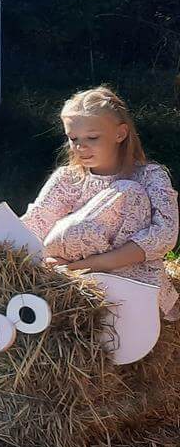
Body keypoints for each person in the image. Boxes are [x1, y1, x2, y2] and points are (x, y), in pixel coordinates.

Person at [21, 86, 178, 317]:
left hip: (131, 281)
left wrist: (90, 265)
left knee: (128, 193)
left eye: (92, 138)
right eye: (73, 138)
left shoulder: (149, 176)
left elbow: (165, 236)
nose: (80, 147)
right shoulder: (68, 178)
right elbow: (36, 222)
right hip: (73, 287)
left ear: (120, 134)